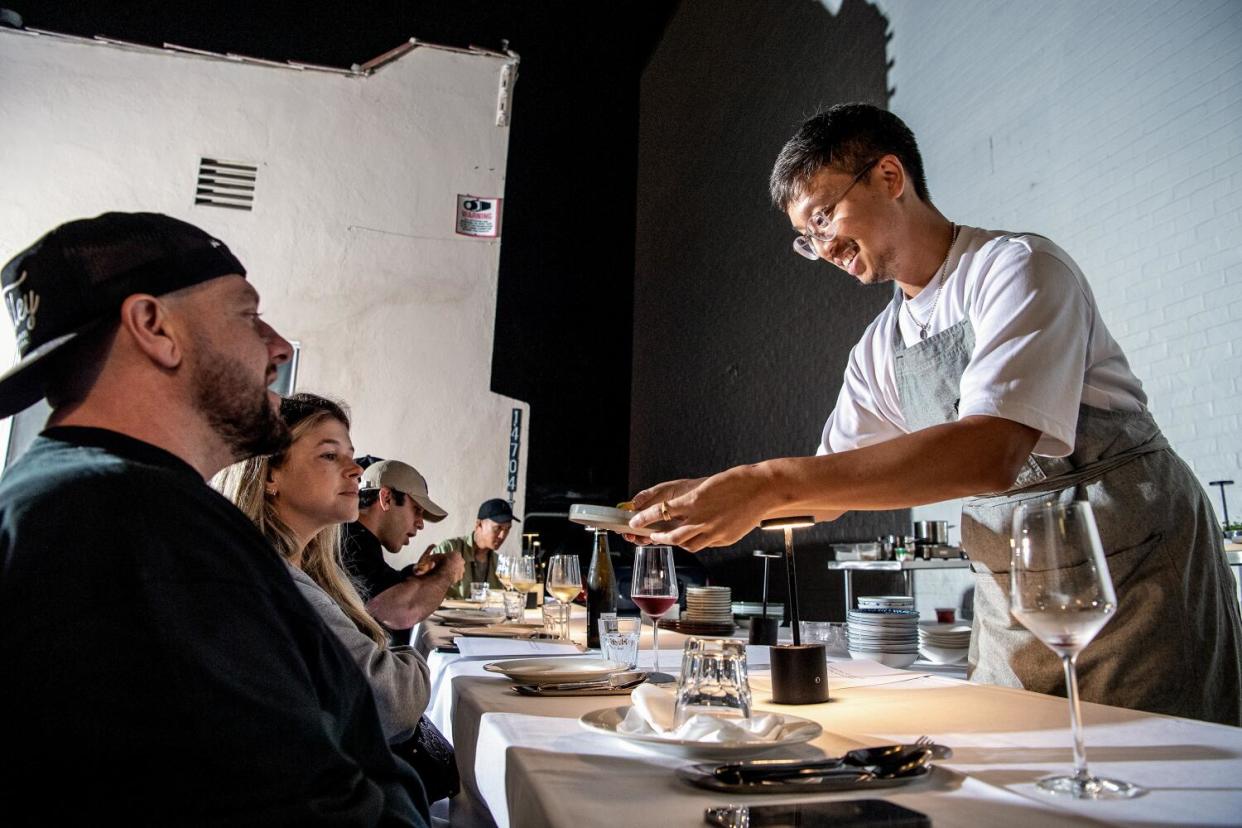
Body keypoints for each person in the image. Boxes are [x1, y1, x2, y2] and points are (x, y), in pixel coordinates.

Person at [628, 103, 1242, 726]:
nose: (823, 246)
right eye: (807, 236)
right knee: (1016, 770)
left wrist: (767, 484)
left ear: (890, 177)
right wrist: (707, 499)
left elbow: (991, 452)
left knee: (1156, 764)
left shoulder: (1016, 267)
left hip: (1133, 568)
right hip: (1015, 591)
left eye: (823, 216)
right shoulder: (877, 347)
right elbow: (829, 487)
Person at [0, 213, 427, 823]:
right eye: (247, 315)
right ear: (154, 327)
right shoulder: (129, 528)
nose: (277, 347)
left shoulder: (104, 502)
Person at [216, 394, 459, 803]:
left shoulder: (296, 571)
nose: (355, 470)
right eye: (331, 456)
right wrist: (412, 658)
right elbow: (394, 701)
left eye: (351, 456)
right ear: (269, 474)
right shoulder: (279, 582)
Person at [342, 459, 464, 646]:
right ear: (387, 498)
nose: (421, 523)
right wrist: (448, 570)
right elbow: (398, 612)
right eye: (416, 510)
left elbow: (382, 588)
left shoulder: (357, 536)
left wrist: (416, 572)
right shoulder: (350, 540)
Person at [436, 498, 518, 599]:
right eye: (498, 528)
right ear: (479, 524)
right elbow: (427, 591)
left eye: (507, 529)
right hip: (447, 614)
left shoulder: (499, 564)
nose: (502, 535)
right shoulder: (449, 549)